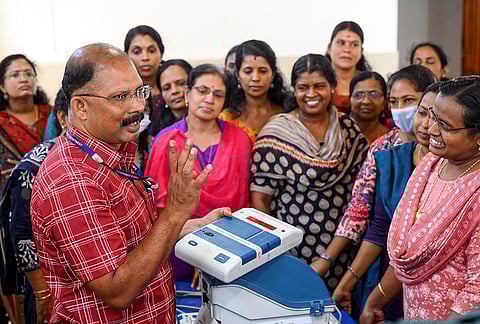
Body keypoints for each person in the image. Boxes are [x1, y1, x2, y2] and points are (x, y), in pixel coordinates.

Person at [30, 43, 230, 323]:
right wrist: (175, 212)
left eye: (139, 92)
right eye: (121, 96)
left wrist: (191, 226)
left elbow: (132, 240)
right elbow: (117, 290)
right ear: (81, 106)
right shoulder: (73, 181)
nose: (137, 106)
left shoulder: (108, 153)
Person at [361, 75, 480, 322]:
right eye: (433, 116)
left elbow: (475, 291)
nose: (431, 129)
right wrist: (376, 301)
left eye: (445, 126)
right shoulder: (430, 165)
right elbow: (408, 254)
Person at [311, 65, 436, 296]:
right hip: (383, 262)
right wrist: (330, 261)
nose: (401, 109)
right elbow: (362, 211)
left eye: (409, 100)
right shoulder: (383, 149)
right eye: (394, 102)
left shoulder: (447, 152)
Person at [250, 54, 369, 292]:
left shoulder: (348, 130)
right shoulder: (276, 133)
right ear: (293, 90)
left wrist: (329, 256)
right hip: (288, 251)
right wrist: (276, 247)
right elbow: (260, 197)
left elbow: (360, 198)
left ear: (333, 87)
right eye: (303, 87)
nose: (311, 94)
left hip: (341, 249)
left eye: (319, 86)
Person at [332, 82, 441, 321]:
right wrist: (348, 282)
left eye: (438, 118)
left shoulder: (452, 170)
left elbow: (422, 245)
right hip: (389, 280)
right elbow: (381, 226)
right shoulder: (393, 159)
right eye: (422, 113)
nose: (426, 125)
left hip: (438, 288)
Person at [146, 64, 251, 282]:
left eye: (218, 94)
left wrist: (214, 252)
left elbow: (242, 204)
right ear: (188, 94)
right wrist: (197, 252)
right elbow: (158, 208)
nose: (210, 99)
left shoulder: (240, 140)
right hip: (177, 245)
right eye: (203, 91)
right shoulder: (166, 141)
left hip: (229, 247)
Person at [0, 89, 70, 324]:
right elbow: (21, 233)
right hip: (48, 284)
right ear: (63, 118)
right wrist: (43, 293)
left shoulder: (104, 158)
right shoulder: (35, 165)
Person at [220, 39, 289, 142]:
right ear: (238, 75)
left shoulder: (287, 114)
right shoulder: (226, 119)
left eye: (263, 71)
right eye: (248, 71)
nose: (255, 78)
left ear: (273, 74)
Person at [0, 54, 51, 193]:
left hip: (53, 186)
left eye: (29, 74)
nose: (23, 79)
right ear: (2, 86)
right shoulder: (2, 122)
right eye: (15, 75)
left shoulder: (54, 115)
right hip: (11, 195)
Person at [326, 21, 371, 114]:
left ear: (361, 51)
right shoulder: (319, 83)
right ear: (329, 48)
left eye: (354, 45)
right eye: (341, 43)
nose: (347, 50)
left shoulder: (369, 83)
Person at [149, 59, 193, 138]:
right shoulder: (157, 131)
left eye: (181, 84)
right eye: (166, 88)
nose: (174, 91)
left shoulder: (215, 118)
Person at [349, 71, 389, 143]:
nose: (366, 101)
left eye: (374, 95)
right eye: (358, 95)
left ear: (385, 101)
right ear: (350, 99)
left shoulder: (392, 138)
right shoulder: (338, 133)